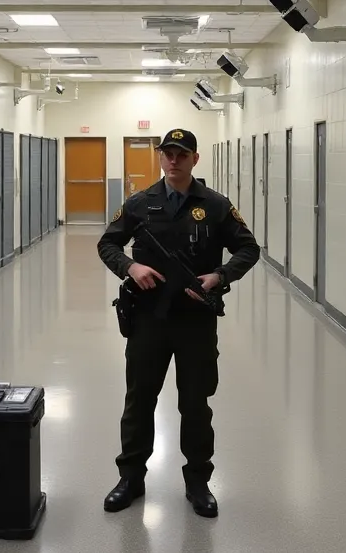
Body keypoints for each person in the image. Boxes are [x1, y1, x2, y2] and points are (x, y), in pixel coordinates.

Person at [97, 128, 261, 518]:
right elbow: (108, 243)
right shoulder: (139, 203)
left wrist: (219, 277)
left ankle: (199, 482)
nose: (174, 160)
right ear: (160, 157)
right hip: (148, 319)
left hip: (195, 320)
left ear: (194, 159)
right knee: (139, 401)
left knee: (195, 402)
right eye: (168, 154)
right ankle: (131, 478)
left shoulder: (216, 205)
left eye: (182, 154)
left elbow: (248, 248)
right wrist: (130, 266)